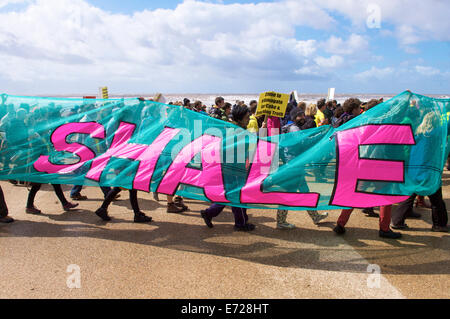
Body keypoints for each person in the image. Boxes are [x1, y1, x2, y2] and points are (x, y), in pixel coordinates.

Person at [332, 98, 401, 239]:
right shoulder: (383, 123)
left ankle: (340, 224)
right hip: (379, 164)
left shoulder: (362, 121)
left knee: (354, 195)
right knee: (385, 196)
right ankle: (384, 228)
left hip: (363, 163)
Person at [200, 105, 255, 231]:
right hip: (234, 169)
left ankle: (209, 213)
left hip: (232, 168)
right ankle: (240, 223)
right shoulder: (237, 131)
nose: (248, 120)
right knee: (237, 196)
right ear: (240, 118)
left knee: (230, 195)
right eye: (247, 117)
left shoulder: (233, 129)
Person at [277, 108, 328, 228]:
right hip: (294, 167)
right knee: (288, 194)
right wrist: (322, 135)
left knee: (305, 191)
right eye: (300, 115)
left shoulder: (289, 127)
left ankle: (315, 216)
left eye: (303, 115)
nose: (303, 117)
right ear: (294, 118)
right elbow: (304, 142)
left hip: (293, 165)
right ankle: (280, 221)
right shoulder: (294, 128)